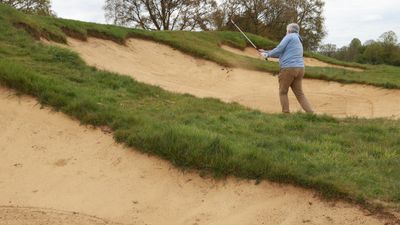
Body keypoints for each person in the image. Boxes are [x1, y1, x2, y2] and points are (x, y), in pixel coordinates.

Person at [259, 23, 313, 114]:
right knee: (299, 94)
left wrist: (267, 55)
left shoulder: (289, 36)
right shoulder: (298, 40)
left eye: (286, 30)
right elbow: (281, 53)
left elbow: (279, 48)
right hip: (300, 69)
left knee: (283, 92)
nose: (286, 32)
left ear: (289, 30)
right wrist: (265, 52)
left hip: (289, 69)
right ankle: (311, 113)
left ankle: (286, 113)